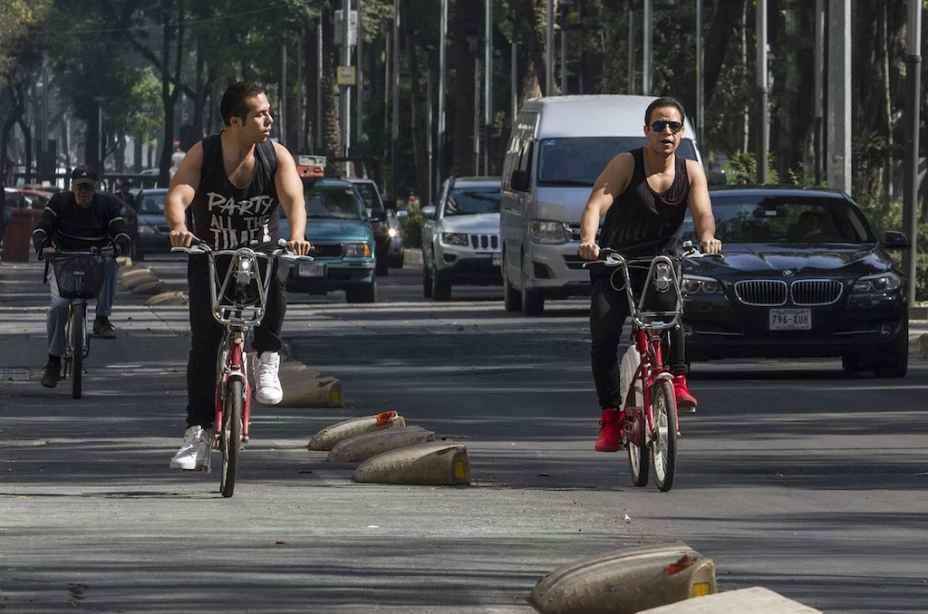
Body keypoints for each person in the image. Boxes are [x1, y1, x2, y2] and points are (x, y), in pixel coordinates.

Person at [164, 81, 311, 471]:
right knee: (204, 343)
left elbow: (294, 198)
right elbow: (179, 193)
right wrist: (179, 227)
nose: (269, 119)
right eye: (261, 114)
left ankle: (267, 356)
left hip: (260, 252)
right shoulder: (205, 153)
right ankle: (196, 433)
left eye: (269, 112)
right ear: (235, 121)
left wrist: (296, 237)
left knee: (277, 278)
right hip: (212, 255)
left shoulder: (275, 155)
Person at [577, 97, 722, 453]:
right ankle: (611, 417)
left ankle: (679, 381)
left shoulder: (691, 171)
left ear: (682, 132)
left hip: (658, 263)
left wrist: (706, 236)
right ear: (646, 132)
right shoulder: (627, 163)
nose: (666, 132)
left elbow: (703, 212)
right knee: (605, 339)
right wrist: (588, 241)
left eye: (673, 126)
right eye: (659, 126)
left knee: (671, 317)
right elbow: (596, 203)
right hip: (615, 264)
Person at [31, 164, 130, 388]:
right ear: (71, 187)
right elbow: (41, 228)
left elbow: (122, 233)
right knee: (58, 306)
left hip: (94, 261)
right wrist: (42, 247)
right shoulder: (58, 202)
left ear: (95, 188)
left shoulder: (107, 205)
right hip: (62, 262)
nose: (82, 192)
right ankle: (53, 362)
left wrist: (116, 247)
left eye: (87, 187)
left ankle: (102, 319)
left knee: (111, 264)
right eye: (78, 187)